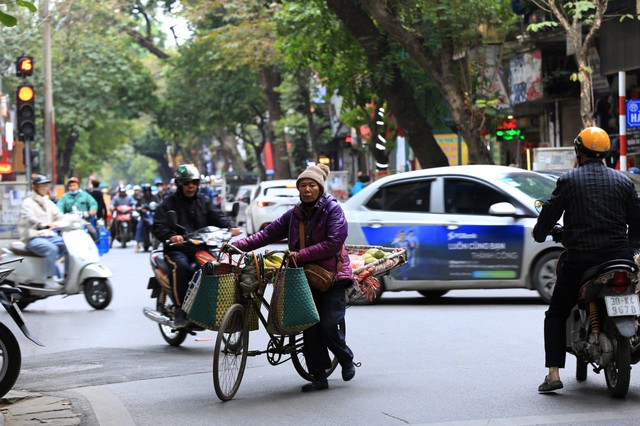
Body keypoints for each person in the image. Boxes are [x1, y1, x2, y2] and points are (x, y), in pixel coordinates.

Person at [229, 163, 356, 392]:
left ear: (320, 188)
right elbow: (266, 234)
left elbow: (333, 243)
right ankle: (319, 376)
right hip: (303, 276)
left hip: (332, 277)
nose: (307, 190)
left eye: (312, 185)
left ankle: (345, 358)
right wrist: (237, 246)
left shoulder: (333, 210)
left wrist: (301, 254)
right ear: (298, 189)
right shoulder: (294, 214)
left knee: (327, 325)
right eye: (303, 185)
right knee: (309, 326)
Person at [532, 127, 640, 393]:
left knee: (555, 313)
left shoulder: (569, 180)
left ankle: (554, 373)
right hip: (621, 259)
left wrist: (542, 232)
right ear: (605, 154)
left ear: (578, 152)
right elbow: (637, 223)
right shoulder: (624, 182)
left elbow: (548, 216)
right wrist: (633, 248)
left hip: (581, 260)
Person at [153, 164, 241, 327]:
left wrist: (230, 226)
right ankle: (179, 309)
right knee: (181, 266)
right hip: (177, 250)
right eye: (187, 183)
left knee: (215, 266)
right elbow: (158, 225)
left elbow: (217, 216)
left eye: (194, 182)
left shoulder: (204, 201)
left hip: (201, 247)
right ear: (180, 184)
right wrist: (172, 236)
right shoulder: (168, 203)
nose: (191, 186)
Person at [18, 175, 67, 290]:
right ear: (34, 187)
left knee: (69, 245)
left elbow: (58, 215)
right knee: (52, 249)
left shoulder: (48, 202)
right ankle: (49, 279)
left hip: (49, 236)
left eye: (46, 185)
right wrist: (41, 224)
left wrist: (69, 220)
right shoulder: (27, 203)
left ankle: (67, 276)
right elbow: (29, 219)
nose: (45, 188)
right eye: (42, 186)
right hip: (33, 238)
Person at [57, 176, 99, 241]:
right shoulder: (64, 197)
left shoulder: (85, 195)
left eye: (74, 185)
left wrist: (92, 210)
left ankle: (93, 248)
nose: (72, 188)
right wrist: (59, 214)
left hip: (84, 221)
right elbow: (59, 206)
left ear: (78, 186)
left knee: (92, 232)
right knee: (59, 235)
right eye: (70, 186)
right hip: (69, 222)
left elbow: (93, 203)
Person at [135, 184, 160, 253]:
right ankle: (137, 244)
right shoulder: (141, 198)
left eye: (148, 192)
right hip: (144, 217)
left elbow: (160, 205)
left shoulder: (155, 197)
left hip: (153, 216)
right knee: (139, 227)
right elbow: (137, 207)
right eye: (146, 192)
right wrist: (141, 209)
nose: (147, 193)